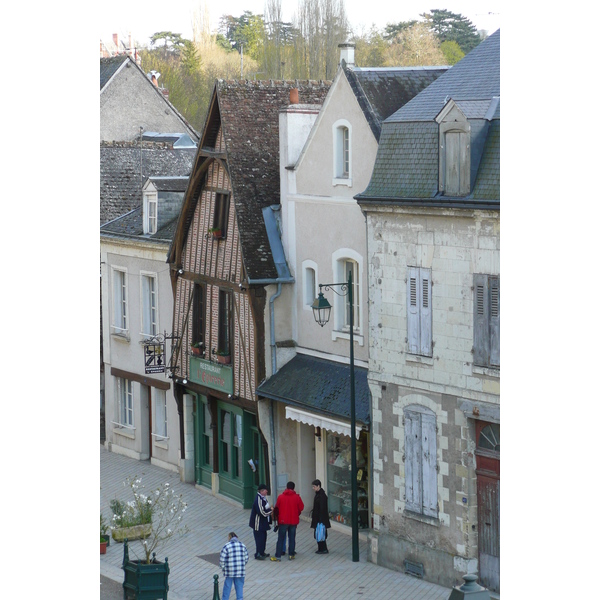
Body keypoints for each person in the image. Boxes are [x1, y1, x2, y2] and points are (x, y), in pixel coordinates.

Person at [270, 481, 304, 561]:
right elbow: (301, 508)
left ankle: (278, 556)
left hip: (283, 521)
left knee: (281, 538)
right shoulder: (297, 497)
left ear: (286, 487)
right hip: (293, 521)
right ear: (293, 488)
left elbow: (276, 508)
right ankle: (291, 554)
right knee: (292, 538)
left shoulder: (281, 497)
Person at [219, 532, 249, 600]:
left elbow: (222, 559)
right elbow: (246, 558)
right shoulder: (242, 545)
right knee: (239, 588)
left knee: (227, 587)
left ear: (229, 537)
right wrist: (241, 565)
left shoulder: (226, 546)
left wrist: (223, 568)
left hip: (229, 571)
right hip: (240, 571)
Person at [248, 483, 272, 560]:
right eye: (265, 490)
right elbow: (261, 512)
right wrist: (270, 511)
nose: (267, 492)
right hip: (258, 524)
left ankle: (262, 552)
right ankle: (258, 553)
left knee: (264, 538)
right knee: (259, 539)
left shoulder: (263, 498)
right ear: (261, 491)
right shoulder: (258, 499)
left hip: (263, 523)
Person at [310, 479, 331, 554]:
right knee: (319, 534)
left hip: (320, 519)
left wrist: (320, 519)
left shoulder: (321, 496)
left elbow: (322, 508)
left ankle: (323, 548)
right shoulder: (319, 494)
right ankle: (321, 548)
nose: (313, 488)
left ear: (318, 486)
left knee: (320, 534)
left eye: (314, 486)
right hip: (319, 518)